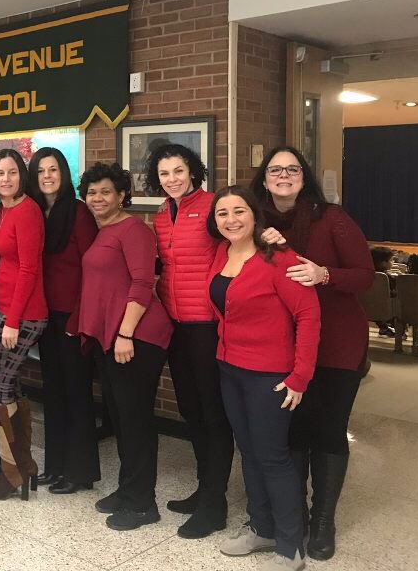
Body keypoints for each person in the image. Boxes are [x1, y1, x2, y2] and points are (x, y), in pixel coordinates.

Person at [250, 147, 373, 561]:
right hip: (282, 347)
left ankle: (322, 522)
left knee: (328, 430)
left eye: (292, 169)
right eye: (275, 169)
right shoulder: (256, 221)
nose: (284, 175)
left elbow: (365, 275)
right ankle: (295, 515)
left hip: (337, 344)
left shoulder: (331, 218)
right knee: (293, 432)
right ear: (264, 179)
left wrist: (323, 274)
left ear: (304, 176)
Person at [208, 186, 320, 571]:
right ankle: (262, 528)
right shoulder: (221, 254)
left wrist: (300, 376)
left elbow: (308, 315)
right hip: (230, 369)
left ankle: (291, 547)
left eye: (239, 211)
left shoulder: (278, 257)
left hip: (270, 376)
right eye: (222, 213)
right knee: (249, 452)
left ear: (255, 215)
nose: (231, 220)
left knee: (272, 457)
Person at [144, 143, 234, 538]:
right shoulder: (161, 216)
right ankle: (205, 488)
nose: (172, 179)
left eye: (178, 171)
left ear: (193, 171)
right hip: (176, 325)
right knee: (191, 410)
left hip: (208, 324)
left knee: (213, 413)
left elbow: (239, 247)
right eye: (164, 174)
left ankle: (216, 503)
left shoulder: (215, 206)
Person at [79, 162, 173, 531]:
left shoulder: (134, 228)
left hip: (137, 338)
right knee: (120, 418)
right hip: (111, 338)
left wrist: (125, 334)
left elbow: (141, 283)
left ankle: (142, 503)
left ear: (122, 195)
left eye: (106, 191)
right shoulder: (102, 231)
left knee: (135, 421)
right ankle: (127, 489)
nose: (98, 198)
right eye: (92, 192)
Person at [27, 148, 100, 496]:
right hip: (46, 315)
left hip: (73, 315)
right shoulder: (36, 212)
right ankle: (56, 466)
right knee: (52, 392)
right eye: (40, 170)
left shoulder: (79, 212)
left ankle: (80, 471)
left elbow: (92, 267)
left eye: (53, 169)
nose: (46, 176)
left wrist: (79, 316)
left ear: (63, 172)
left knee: (76, 393)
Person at [0, 149, 48, 501]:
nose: (5, 179)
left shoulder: (27, 211)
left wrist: (13, 320)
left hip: (22, 314)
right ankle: (24, 464)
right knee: (7, 386)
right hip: (7, 309)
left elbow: (28, 269)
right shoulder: (4, 210)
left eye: (11, 172)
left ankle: (12, 472)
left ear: (22, 175)